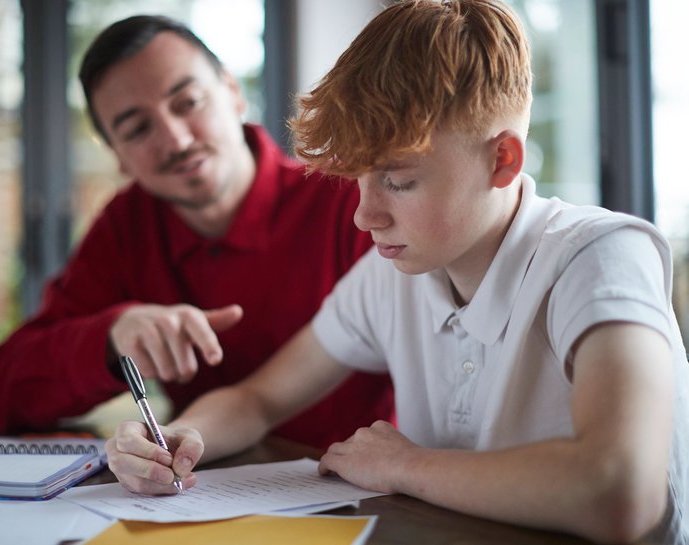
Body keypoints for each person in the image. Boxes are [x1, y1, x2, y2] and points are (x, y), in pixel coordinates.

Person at [105, 1, 689, 543]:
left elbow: (620, 494)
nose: (364, 214)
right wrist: (181, 437)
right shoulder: (394, 275)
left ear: (502, 159)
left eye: (399, 181)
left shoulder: (601, 256)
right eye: (357, 178)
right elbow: (259, 400)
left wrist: (404, 465)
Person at [0, 15, 395, 450]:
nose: (176, 140)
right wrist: (112, 338)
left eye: (188, 102)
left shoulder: (350, 201)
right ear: (119, 158)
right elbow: (7, 390)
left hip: (360, 493)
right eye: (138, 129)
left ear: (233, 93)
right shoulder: (127, 229)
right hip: (194, 485)